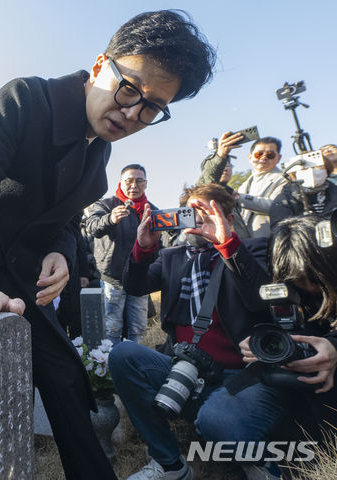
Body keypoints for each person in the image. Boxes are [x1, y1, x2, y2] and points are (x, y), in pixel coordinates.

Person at [0, 9, 216, 479]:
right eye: (129, 88)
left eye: (152, 107)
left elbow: (67, 219)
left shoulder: (102, 150)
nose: (132, 113)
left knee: (67, 378)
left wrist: (61, 253)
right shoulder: (25, 98)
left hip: (22, 279)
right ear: (99, 65)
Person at [112, 183, 284, 480]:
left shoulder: (255, 248)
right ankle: (170, 464)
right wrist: (143, 247)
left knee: (217, 420)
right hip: (184, 369)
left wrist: (227, 243)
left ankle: (258, 462)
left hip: (240, 374)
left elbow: (261, 298)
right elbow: (134, 286)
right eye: (188, 211)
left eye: (204, 211)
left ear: (229, 217)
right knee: (123, 354)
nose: (195, 218)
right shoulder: (173, 257)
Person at [239, 215, 337, 449]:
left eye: (315, 280)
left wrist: (334, 346)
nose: (310, 289)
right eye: (298, 282)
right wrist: (262, 344)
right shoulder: (284, 290)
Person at [84, 164, 157, 345]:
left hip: (140, 279)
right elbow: (92, 227)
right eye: (129, 181)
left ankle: (134, 366)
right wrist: (110, 219)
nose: (134, 185)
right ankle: (110, 368)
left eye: (139, 181)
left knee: (138, 329)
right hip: (112, 277)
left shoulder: (153, 211)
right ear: (120, 182)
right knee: (111, 328)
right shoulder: (106, 204)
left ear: (146, 184)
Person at [196, 130, 251, 239]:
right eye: (222, 166)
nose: (225, 169)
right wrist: (221, 155)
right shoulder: (201, 193)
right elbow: (208, 179)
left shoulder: (234, 194)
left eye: (228, 166)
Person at [269, 147, 337, 225]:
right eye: (304, 169)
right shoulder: (285, 199)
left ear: (327, 171)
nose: (311, 171)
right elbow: (279, 228)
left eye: (318, 167)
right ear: (295, 173)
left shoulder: (334, 192)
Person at [237, 137, 287, 237]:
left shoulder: (284, 179)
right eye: (258, 154)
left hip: (270, 239)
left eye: (270, 155)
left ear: (278, 158)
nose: (263, 157)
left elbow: (275, 205)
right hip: (246, 240)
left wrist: (239, 198)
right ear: (250, 157)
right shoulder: (244, 184)